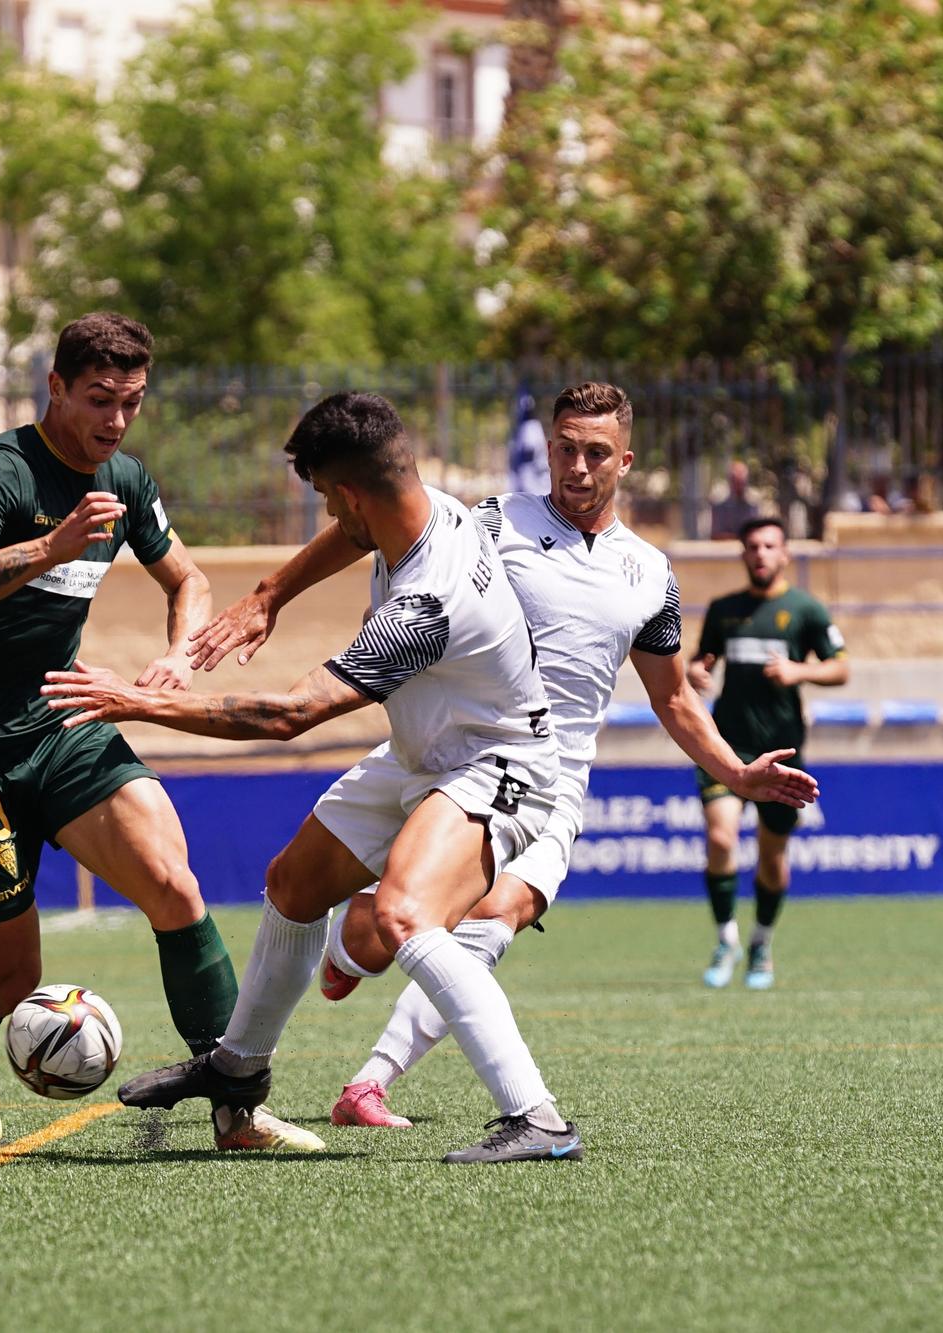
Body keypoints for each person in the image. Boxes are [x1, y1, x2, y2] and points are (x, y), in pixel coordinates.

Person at [186, 383, 820, 1128]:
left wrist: (738, 772)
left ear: (627, 461)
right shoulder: (492, 519)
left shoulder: (651, 575)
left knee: (488, 918)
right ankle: (340, 971)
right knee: (373, 920)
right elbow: (368, 525)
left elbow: (675, 701)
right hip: (447, 746)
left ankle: (373, 1081)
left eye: (595, 454)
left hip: (549, 781)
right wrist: (271, 592)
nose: (577, 468)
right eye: (564, 449)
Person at [47, 391, 580, 1165]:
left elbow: (288, 716)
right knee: (294, 884)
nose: (330, 512)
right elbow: (350, 539)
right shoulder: (427, 504)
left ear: (356, 494)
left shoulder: (430, 603)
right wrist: (269, 594)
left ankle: (538, 1119)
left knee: (403, 916)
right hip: (423, 752)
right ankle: (238, 1065)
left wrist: (136, 702)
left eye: (331, 498)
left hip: (499, 764)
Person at [0, 311, 305, 1153]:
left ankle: (237, 1104)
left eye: (130, 402)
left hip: (64, 719)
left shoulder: (125, 479)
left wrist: (177, 658)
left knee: (174, 884)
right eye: (97, 400)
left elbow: (186, 576)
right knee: (11, 978)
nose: (114, 422)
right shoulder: (2, 471)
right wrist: (47, 549)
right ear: (56, 388)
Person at [690, 516, 850, 990]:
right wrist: (697, 672)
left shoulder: (806, 610)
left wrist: (800, 673)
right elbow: (703, 662)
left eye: (769, 546)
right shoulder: (724, 610)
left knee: (771, 856)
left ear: (785, 555)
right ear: (743, 554)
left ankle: (761, 942)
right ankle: (726, 940)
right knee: (721, 839)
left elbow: (842, 669)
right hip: (726, 747)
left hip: (782, 750)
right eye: (752, 545)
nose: (760, 553)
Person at [708, 460, 759, 540]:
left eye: (742, 481)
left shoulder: (753, 501)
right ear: (730, 481)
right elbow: (716, 535)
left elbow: (757, 531)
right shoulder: (719, 502)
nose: (740, 485)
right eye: (736, 481)